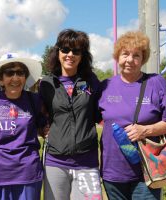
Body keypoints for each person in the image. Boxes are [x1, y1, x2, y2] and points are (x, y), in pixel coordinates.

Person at [98, 31, 166, 200]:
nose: (130, 60)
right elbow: (94, 118)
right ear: (117, 56)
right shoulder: (105, 86)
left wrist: (145, 130)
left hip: (147, 170)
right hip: (113, 172)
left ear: (143, 59)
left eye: (136, 55)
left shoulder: (155, 83)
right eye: (125, 54)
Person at [39, 29, 102, 200]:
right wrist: (42, 129)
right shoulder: (46, 83)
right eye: (65, 49)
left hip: (87, 162)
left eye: (76, 51)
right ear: (57, 52)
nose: (70, 55)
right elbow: (38, 114)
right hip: (55, 162)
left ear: (83, 55)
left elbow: (101, 113)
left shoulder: (91, 81)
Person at [0, 53, 45, 200]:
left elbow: (44, 125)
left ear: (25, 78)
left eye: (20, 73)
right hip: (0, 174)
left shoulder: (34, 100)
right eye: (10, 73)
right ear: (1, 80)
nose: (15, 78)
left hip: (29, 173)